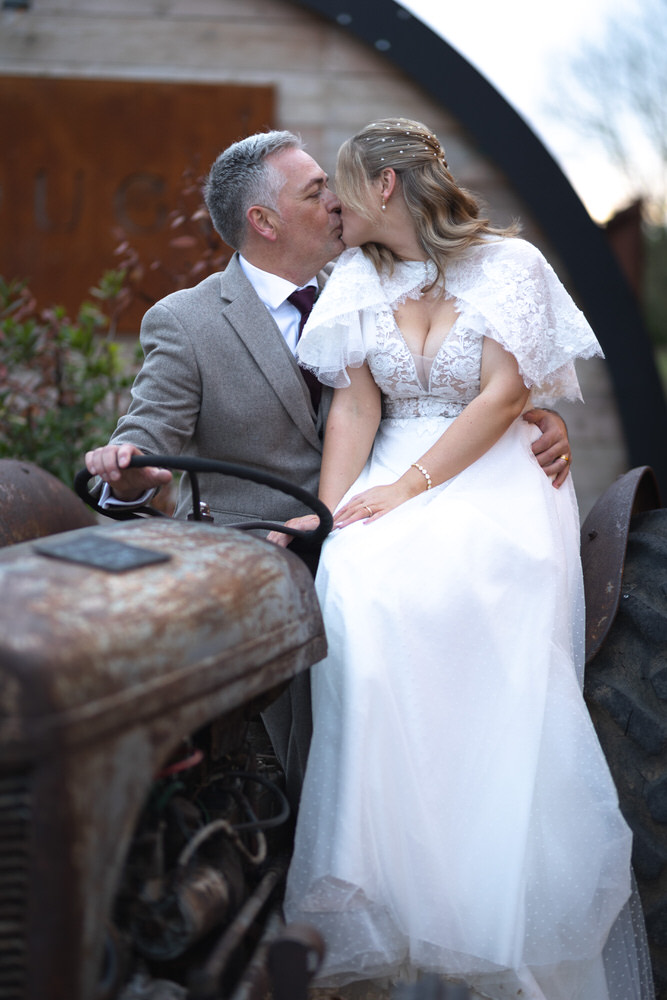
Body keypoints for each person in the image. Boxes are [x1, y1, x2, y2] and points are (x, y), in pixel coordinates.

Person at [272, 119, 654, 1000]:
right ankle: (382, 883)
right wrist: (333, 514)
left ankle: (483, 886)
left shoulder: (508, 266)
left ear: (385, 187)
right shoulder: (358, 276)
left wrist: (407, 490)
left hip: (493, 473)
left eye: (341, 186)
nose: (331, 205)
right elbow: (355, 408)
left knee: (456, 588)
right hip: (390, 466)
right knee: (355, 586)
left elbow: (504, 397)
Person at [84, 129, 572, 810]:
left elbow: (457, 384)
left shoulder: (366, 276)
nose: (338, 203)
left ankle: (457, 797)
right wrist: (126, 471)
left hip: (392, 514)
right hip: (266, 547)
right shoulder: (188, 321)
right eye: (317, 192)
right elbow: (146, 435)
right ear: (264, 221)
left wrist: (532, 416)